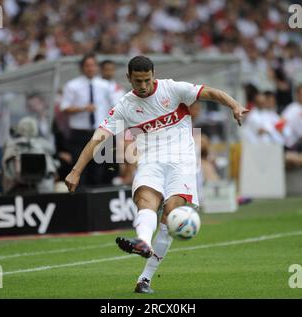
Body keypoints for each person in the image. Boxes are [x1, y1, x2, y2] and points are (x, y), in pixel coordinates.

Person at [64, 56, 249, 293]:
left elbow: (210, 93)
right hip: (150, 161)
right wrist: (75, 171)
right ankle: (142, 241)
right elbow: (98, 138)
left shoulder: (172, 89)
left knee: (171, 212)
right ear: (128, 78)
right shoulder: (124, 106)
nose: (143, 85)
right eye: (137, 81)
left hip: (181, 162)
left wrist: (234, 104)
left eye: (147, 80)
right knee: (145, 201)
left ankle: (145, 279)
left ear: (154, 75)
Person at [60, 53, 116, 187]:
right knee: (80, 169)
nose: (90, 69)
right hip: (80, 133)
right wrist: (82, 109)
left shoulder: (105, 85)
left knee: (99, 168)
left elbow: (113, 107)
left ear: (97, 67)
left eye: (93, 66)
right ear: (82, 68)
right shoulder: (72, 85)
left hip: (99, 132)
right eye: (87, 66)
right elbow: (64, 108)